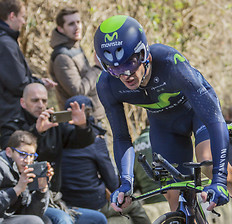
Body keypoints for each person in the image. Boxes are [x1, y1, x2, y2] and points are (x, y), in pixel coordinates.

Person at [94, 15, 232, 223]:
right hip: (164, 125)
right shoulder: (107, 84)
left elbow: (214, 121)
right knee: (173, 191)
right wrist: (126, 183)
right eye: (114, 69)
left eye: (129, 64)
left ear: (143, 54)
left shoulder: (170, 63)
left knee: (208, 165)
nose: (125, 75)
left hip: (198, 115)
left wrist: (219, 179)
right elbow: (122, 137)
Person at [0, 83, 107, 224]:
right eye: (35, 100)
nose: (41, 105)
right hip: (23, 201)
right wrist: (36, 131)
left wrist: (82, 126)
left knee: (99, 219)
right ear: (23, 102)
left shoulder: (53, 125)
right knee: (62, 220)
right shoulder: (11, 125)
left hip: (53, 196)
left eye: (44, 100)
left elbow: (79, 143)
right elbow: (10, 150)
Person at [61, 95, 151, 224]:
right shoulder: (94, 139)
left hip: (67, 203)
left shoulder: (57, 137)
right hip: (93, 205)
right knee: (135, 205)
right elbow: (112, 181)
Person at [0, 0, 56, 129]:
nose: (24, 22)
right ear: (12, 16)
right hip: (11, 115)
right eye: (23, 17)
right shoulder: (5, 44)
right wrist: (40, 84)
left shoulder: (7, 41)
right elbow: (18, 83)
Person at [49, 7, 104, 122]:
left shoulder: (75, 47)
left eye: (78, 22)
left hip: (93, 117)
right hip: (80, 122)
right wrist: (97, 67)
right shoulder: (62, 57)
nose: (77, 27)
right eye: (71, 24)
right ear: (60, 29)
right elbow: (78, 91)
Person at [0, 130, 53, 224]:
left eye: (32, 156)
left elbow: (33, 213)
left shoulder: (29, 169)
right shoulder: (1, 166)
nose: (27, 160)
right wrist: (17, 189)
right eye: (22, 154)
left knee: (46, 220)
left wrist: (42, 189)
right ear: (9, 152)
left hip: (11, 217)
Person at [132, 125, 166, 204]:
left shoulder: (134, 144)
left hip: (149, 197)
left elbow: (134, 180)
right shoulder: (163, 137)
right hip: (168, 195)